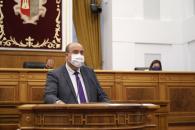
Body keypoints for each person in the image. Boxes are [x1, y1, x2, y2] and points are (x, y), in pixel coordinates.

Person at [44, 42, 110, 104]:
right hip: (69, 113)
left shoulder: (89, 72)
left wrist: (108, 106)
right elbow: (49, 96)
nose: (79, 55)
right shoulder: (55, 74)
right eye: (75, 52)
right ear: (66, 56)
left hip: (91, 113)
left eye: (81, 53)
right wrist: (59, 104)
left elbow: (102, 95)